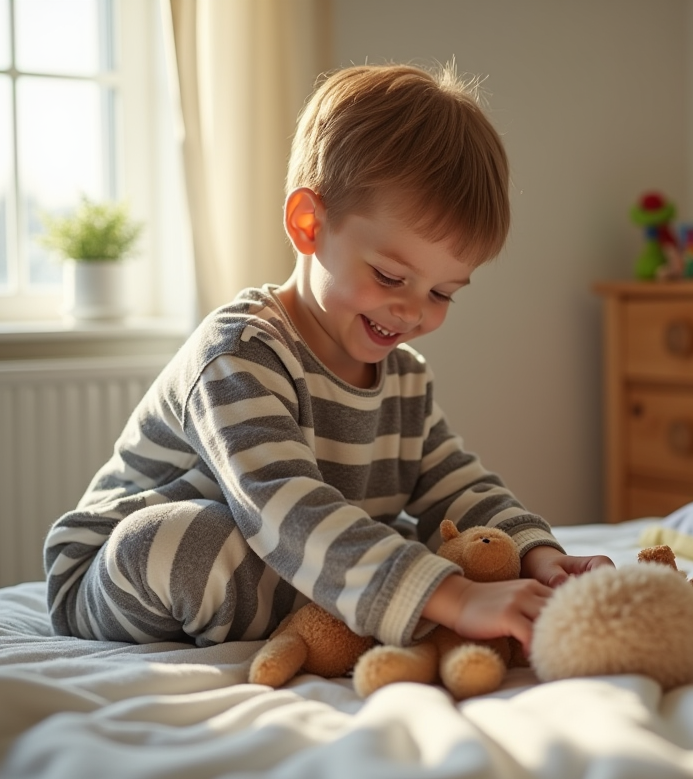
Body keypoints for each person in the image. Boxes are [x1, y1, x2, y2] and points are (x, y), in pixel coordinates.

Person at [43, 63, 613, 656]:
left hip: (276, 554)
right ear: (308, 223)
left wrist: (542, 558)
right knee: (181, 543)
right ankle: (373, 597)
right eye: (392, 275)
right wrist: (458, 599)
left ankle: (361, 597)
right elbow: (287, 509)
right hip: (116, 575)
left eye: (443, 293)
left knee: (413, 543)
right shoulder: (239, 355)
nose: (414, 312)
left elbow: (459, 487)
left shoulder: (405, 381)